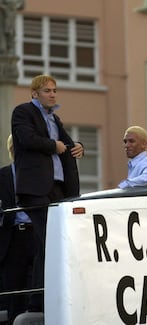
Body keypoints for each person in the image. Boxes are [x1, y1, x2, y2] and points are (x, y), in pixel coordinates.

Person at [11, 74, 84, 312]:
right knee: (48, 241)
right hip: (35, 188)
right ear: (34, 94)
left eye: (54, 90)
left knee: (54, 242)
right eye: (47, 91)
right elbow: (27, 139)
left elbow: (67, 144)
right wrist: (54, 146)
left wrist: (77, 147)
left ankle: (43, 298)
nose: (52, 94)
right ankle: (38, 301)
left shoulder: (55, 119)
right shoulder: (23, 112)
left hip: (57, 188)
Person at [0, 135, 36, 323]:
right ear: (12, 149)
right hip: (12, 236)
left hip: (36, 234)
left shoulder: (39, 174)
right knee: (15, 291)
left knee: (37, 288)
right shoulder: (2, 175)